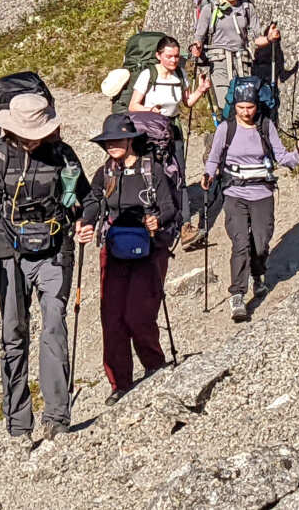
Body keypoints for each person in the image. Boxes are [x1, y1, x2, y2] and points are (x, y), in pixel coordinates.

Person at [0, 93, 86, 445]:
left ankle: (57, 418)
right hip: (8, 254)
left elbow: (83, 198)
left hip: (55, 252)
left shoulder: (63, 155)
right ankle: (18, 424)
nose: (35, 138)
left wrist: (85, 221)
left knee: (54, 328)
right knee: (13, 335)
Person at [76, 112, 179, 403]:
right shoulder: (104, 173)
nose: (111, 146)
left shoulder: (152, 170)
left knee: (138, 313)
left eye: (117, 140)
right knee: (112, 318)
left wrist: (157, 220)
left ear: (130, 140)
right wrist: (85, 222)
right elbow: (94, 201)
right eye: (107, 142)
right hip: (114, 249)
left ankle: (154, 366)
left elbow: (169, 207)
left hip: (149, 249)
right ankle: (119, 383)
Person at [200, 78, 299, 322]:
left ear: (256, 106)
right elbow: (214, 158)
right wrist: (208, 175)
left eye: (250, 107)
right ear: (235, 106)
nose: (246, 112)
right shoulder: (225, 129)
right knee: (240, 243)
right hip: (234, 193)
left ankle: (257, 275)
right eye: (241, 108)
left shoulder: (265, 126)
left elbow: (281, 156)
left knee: (260, 242)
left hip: (262, 192)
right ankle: (237, 295)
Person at [126, 35, 209, 244]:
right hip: (151, 130)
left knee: (179, 175)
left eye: (176, 56)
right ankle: (152, 222)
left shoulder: (180, 74)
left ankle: (185, 226)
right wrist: (150, 110)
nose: (173, 61)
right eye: (169, 56)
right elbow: (133, 105)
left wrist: (200, 90)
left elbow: (187, 102)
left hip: (173, 128)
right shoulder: (148, 74)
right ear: (158, 56)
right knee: (153, 174)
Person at [189, 0, 279, 119]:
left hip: (242, 62)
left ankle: (241, 136)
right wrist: (196, 48)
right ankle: (227, 134)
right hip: (219, 63)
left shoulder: (247, 8)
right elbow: (198, 37)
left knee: (245, 101)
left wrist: (269, 38)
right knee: (226, 103)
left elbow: (256, 39)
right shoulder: (209, 9)